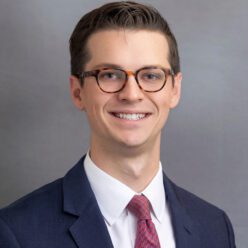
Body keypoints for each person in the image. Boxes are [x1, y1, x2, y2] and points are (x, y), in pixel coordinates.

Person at [0, 1, 236, 247]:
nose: (132, 94)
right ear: (78, 92)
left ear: (175, 90)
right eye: (110, 75)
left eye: (151, 75)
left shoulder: (214, 227)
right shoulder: (17, 232)